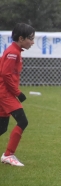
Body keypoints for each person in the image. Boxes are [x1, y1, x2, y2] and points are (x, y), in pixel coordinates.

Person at [0, 23, 35, 166]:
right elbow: (5, 74)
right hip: (5, 94)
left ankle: (8, 155)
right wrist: (18, 93)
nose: (32, 42)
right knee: (23, 121)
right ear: (21, 38)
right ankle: (8, 155)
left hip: (5, 93)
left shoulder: (15, 51)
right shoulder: (13, 53)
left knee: (2, 127)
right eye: (31, 39)